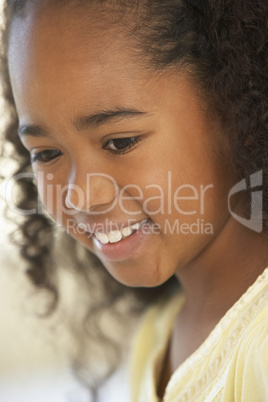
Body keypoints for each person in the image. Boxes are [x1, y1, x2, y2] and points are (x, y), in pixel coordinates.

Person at [1, 0, 268, 400]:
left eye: (120, 142)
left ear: (237, 105)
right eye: (46, 154)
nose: (81, 196)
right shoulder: (156, 335)